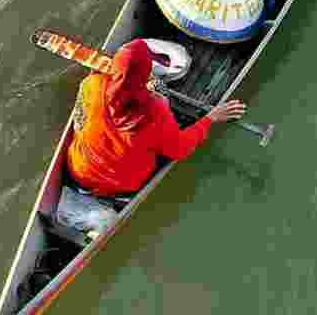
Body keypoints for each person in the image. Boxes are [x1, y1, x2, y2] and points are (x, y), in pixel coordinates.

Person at [67, 39, 246, 199]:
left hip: (77, 169)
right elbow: (180, 149)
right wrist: (211, 118)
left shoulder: (91, 84)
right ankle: (119, 197)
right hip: (119, 186)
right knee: (174, 131)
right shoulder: (155, 113)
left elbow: (81, 119)